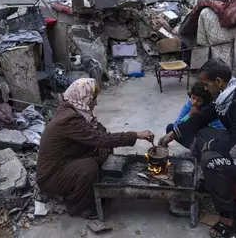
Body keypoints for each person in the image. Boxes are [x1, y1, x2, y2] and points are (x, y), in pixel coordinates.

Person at [158, 59, 236, 238]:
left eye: (206, 85)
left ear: (218, 82)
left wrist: (211, 146)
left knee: (210, 161)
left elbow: (235, 149)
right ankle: (214, 183)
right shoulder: (229, 92)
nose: (205, 89)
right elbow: (204, 117)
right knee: (202, 133)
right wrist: (173, 134)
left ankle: (229, 216)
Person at [36, 78, 154, 219]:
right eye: (94, 99)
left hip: (66, 160)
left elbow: (99, 131)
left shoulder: (74, 109)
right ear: (84, 98)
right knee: (89, 167)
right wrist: (136, 135)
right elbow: (101, 139)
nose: (96, 103)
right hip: (51, 175)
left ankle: (92, 190)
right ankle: (80, 206)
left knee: (104, 150)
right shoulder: (69, 119)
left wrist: (102, 144)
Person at [165, 82, 224, 149]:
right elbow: (177, 125)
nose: (195, 102)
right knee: (170, 128)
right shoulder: (189, 105)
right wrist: (189, 114)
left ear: (205, 101)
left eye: (199, 100)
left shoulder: (211, 110)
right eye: (193, 98)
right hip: (192, 138)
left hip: (205, 139)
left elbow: (218, 131)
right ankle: (194, 148)